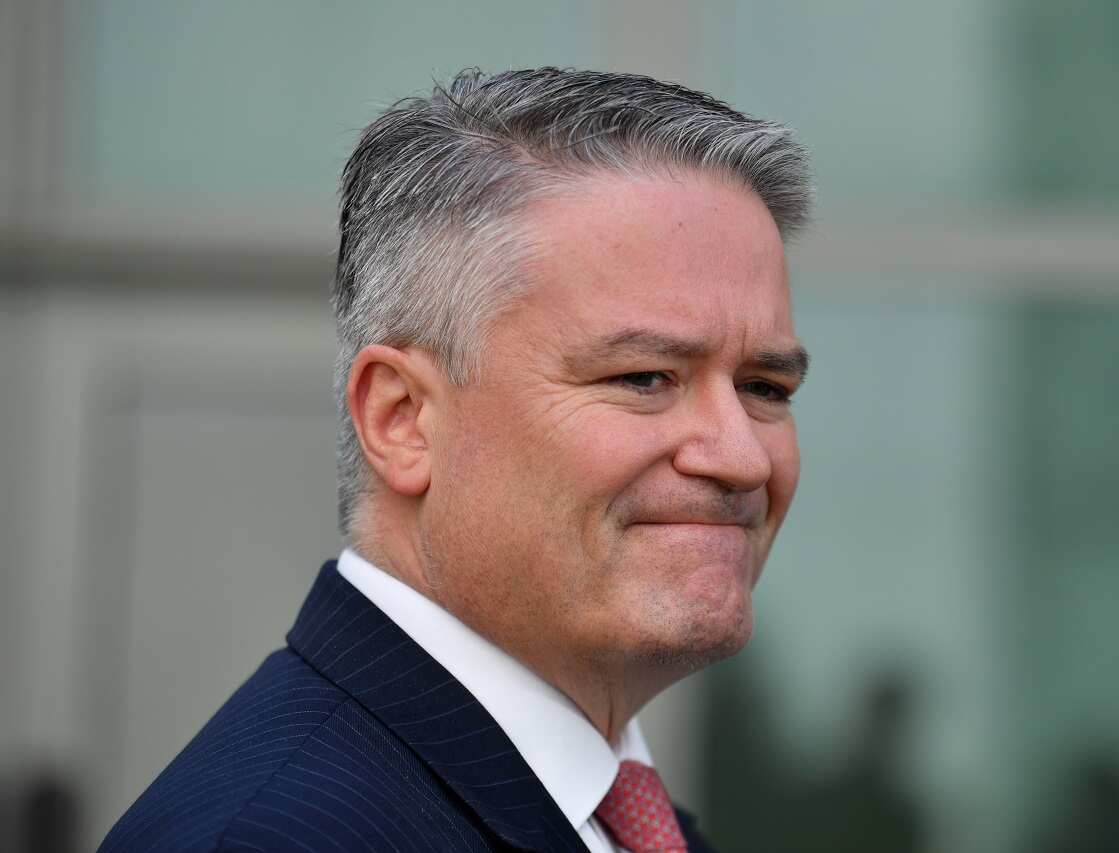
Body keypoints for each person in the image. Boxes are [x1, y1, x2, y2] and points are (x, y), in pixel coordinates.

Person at [100, 66, 812, 853]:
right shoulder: (272, 838)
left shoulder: (622, 823)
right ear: (401, 418)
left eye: (765, 386)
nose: (742, 457)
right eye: (643, 377)